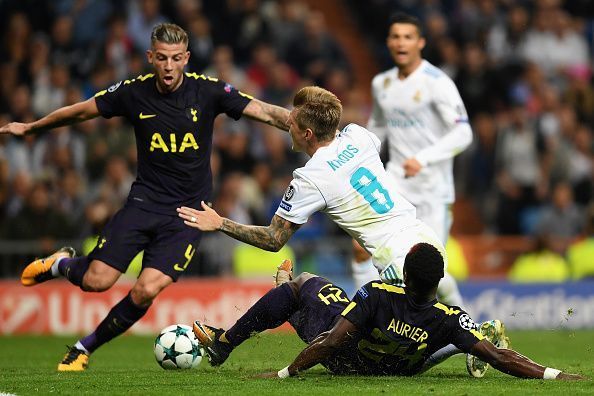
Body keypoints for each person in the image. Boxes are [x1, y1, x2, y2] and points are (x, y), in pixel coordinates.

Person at [0, 23, 290, 371]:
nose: (169, 66)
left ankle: (83, 348)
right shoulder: (133, 93)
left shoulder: (208, 92)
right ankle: (61, 263)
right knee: (97, 281)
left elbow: (265, 111)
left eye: (176, 59)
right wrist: (32, 128)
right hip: (144, 203)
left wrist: (310, 127)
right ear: (151, 57)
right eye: (162, 58)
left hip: (189, 214)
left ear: (186, 58)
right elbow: (81, 110)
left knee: (145, 290)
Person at [178, 86, 495, 377]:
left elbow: (273, 239)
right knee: (394, 331)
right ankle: (467, 337)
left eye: (293, 123)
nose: (287, 123)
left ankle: (466, 342)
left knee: (387, 352)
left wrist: (220, 223)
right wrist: (237, 102)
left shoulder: (310, 178)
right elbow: (292, 120)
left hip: (397, 262)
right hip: (421, 237)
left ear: (306, 134)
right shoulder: (357, 136)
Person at [191, 243, 583, 380]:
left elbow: (329, 343)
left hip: (347, 360)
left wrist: (283, 372)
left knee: (302, 285)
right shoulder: (448, 315)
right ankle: (474, 336)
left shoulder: (378, 293)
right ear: (438, 280)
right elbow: (499, 358)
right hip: (403, 365)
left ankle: (226, 341)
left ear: (406, 275)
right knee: (460, 341)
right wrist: (555, 373)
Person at [352, 13, 473, 307]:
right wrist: (356, 156)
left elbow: (463, 131)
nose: (401, 42)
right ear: (389, 43)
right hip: (395, 183)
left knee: (432, 270)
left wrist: (424, 158)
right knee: (361, 248)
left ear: (420, 42)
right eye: (395, 36)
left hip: (432, 188)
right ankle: (364, 323)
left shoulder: (437, 82)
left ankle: (475, 331)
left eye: (408, 36)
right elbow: (378, 128)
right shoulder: (382, 83)